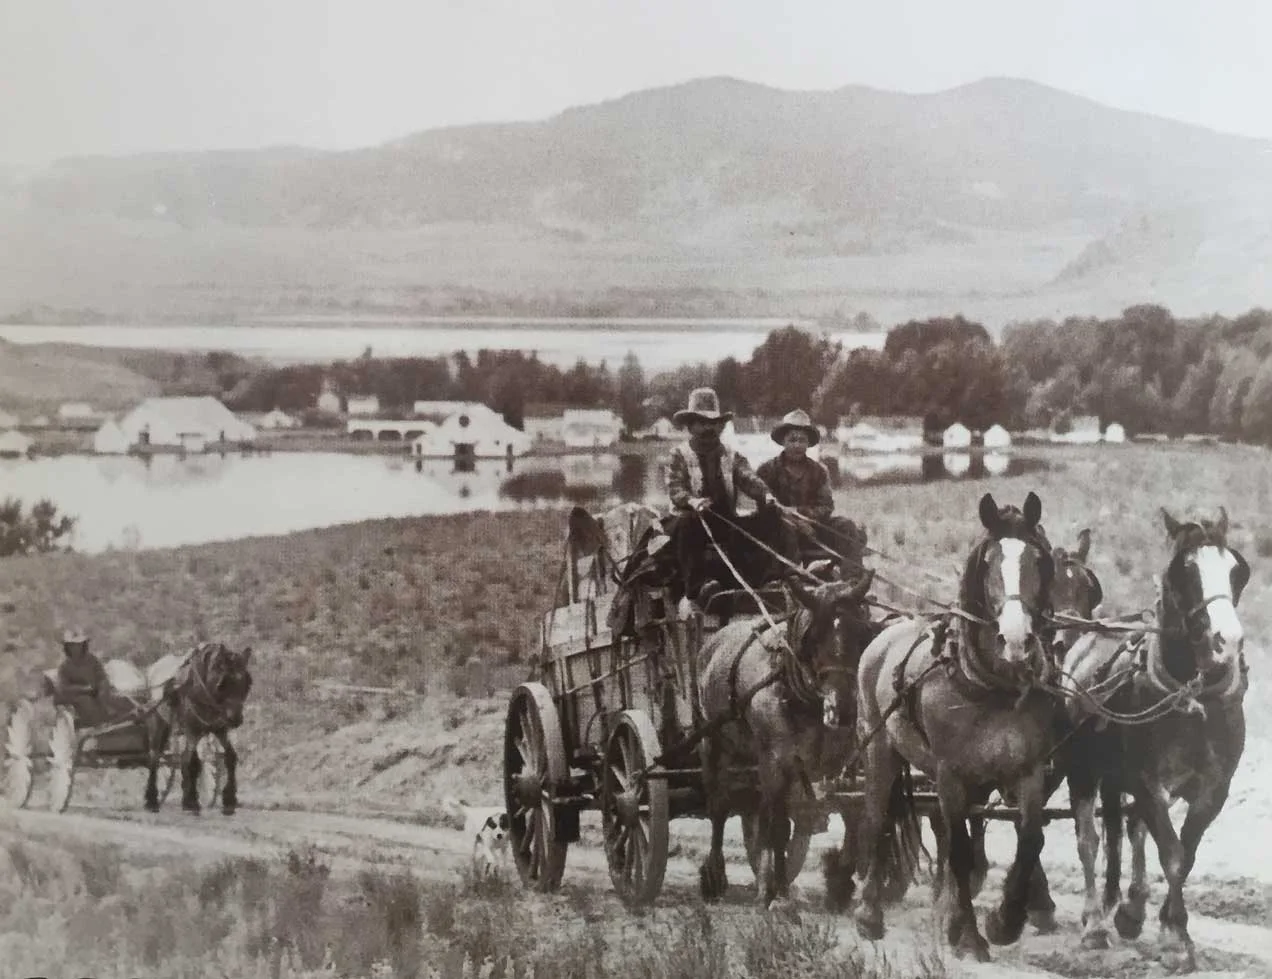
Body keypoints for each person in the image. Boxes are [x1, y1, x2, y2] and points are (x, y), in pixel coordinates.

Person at [665, 387, 788, 611]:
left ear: (720, 426)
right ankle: (699, 586)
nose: (708, 428)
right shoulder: (679, 454)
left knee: (770, 514)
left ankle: (771, 579)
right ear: (690, 426)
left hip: (723, 518)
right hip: (688, 520)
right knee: (687, 523)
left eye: (713, 423)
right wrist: (692, 501)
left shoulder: (731, 455)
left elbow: (748, 478)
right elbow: (675, 488)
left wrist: (766, 495)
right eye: (701, 423)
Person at [757, 409, 867, 572]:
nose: (797, 445)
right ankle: (793, 578)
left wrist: (807, 519)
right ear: (783, 441)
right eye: (792, 439)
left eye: (802, 440)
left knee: (846, 525)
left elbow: (826, 505)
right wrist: (793, 520)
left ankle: (852, 580)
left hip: (813, 530)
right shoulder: (767, 470)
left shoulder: (819, 471)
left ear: (808, 443)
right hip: (779, 532)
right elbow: (761, 505)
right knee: (784, 528)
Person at [54, 628, 114, 726]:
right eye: (72, 645)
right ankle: (98, 724)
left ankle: (109, 719)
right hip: (77, 698)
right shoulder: (65, 667)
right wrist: (83, 689)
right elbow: (63, 688)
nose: (76, 648)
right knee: (86, 701)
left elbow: (102, 676)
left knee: (111, 697)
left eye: (79, 645)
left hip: (95, 692)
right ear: (67, 647)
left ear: (83, 645)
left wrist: (102, 687)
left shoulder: (92, 660)